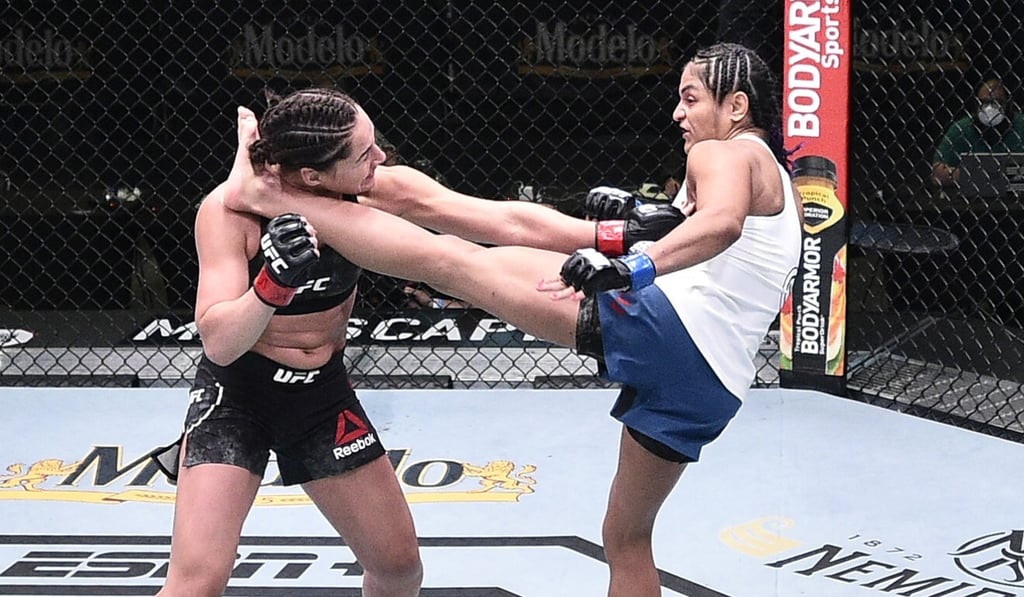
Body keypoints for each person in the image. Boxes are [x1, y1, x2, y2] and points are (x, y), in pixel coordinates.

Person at [225, 42, 801, 596]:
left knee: (456, 262)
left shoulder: (723, 150)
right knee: (625, 537)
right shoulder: (774, 173)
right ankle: (312, 186)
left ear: (737, 105)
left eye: (692, 97)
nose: (678, 112)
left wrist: (634, 269)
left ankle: (278, 195)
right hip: (710, 384)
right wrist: (631, 227)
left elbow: (721, 223)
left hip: (666, 328)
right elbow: (716, 239)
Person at [932, 78, 1024, 187]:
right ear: (976, 104)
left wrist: (968, 174)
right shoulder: (961, 128)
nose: (990, 109)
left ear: (1008, 105)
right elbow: (937, 174)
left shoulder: (1021, 125)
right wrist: (986, 176)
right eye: (984, 102)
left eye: (997, 102)